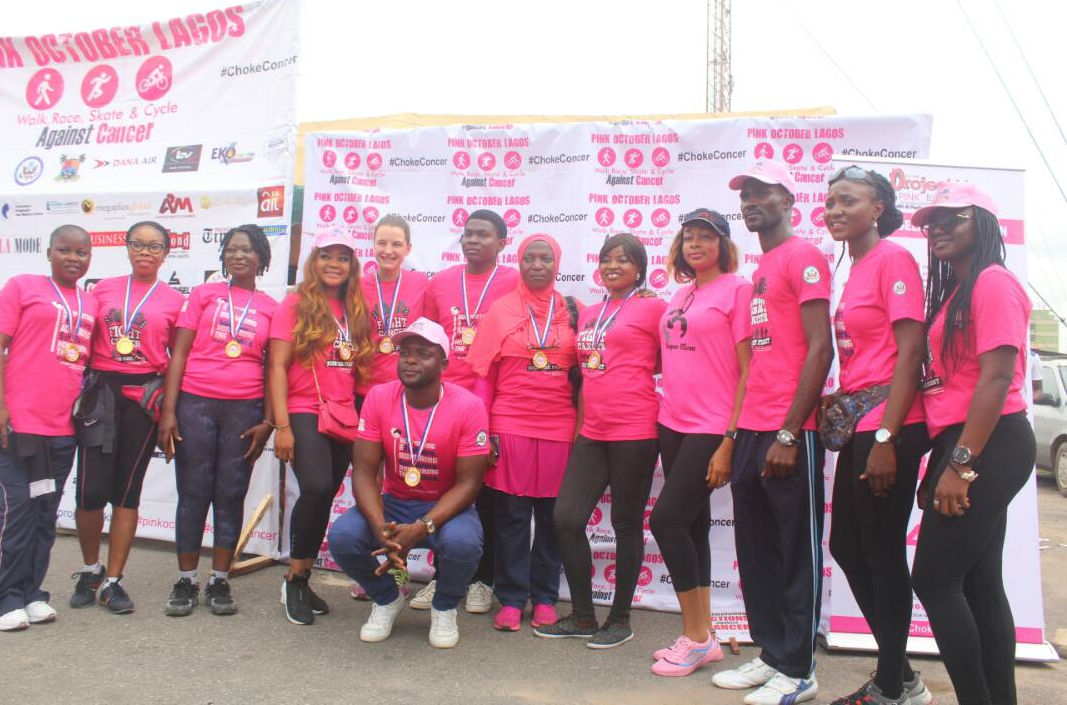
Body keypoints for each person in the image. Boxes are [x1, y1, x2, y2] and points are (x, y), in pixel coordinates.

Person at [711, 161, 832, 705]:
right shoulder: (763, 267)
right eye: (745, 194)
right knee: (756, 549)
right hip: (754, 426)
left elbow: (819, 347)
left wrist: (790, 431)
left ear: (788, 197)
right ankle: (772, 654)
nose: (751, 201)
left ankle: (800, 669)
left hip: (790, 430)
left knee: (794, 551)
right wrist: (741, 431)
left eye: (762, 193)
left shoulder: (804, 256)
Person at [911, 183, 1034, 705]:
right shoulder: (956, 292)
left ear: (982, 224)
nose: (938, 227)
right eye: (932, 221)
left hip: (990, 441)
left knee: (935, 580)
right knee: (979, 582)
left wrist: (961, 464)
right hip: (968, 441)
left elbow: (997, 377)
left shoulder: (993, 282)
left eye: (952, 218)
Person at [821, 167, 933, 705]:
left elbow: (910, 353)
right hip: (863, 421)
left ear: (879, 207)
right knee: (847, 544)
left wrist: (888, 435)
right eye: (830, 203)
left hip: (890, 424)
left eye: (848, 201)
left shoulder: (894, 258)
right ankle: (900, 672)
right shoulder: (859, 265)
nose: (835, 210)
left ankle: (893, 683)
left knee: (882, 551)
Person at [327, 318, 490, 648]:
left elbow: (469, 483)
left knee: (463, 545)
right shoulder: (378, 397)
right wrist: (379, 528)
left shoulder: (469, 406)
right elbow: (363, 470)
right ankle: (387, 598)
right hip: (395, 501)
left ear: (443, 363)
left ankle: (444, 606)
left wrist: (422, 526)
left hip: (444, 506)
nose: (411, 360)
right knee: (343, 536)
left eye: (423, 354)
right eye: (406, 353)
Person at [537, 233, 665, 649]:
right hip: (592, 431)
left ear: (640, 268)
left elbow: (668, 360)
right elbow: (584, 376)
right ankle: (583, 616)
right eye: (607, 258)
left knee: (626, 525)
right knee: (566, 518)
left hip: (636, 429)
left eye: (623, 260)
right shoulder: (590, 313)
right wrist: (578, 433)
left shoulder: (653, 308)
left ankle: (620, 619)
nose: (613, 266)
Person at [638, 211, 752, 675]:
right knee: (693, 525)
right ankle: (701, 635)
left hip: (711, 426)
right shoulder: (681, 293)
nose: (696, 244)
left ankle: (697, 637)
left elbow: (750, 371)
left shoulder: (739, 290)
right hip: (674, 422)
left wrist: (730, 438)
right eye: (690, 237)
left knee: (667, 521)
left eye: (707, 237)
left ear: (723, 245)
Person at [157, 225, 277, 616]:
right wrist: (169, 411)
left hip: (245, 409)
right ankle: (186, 580)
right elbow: (178, 355)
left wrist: (270, 421)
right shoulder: (203, 295)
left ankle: (220, 581)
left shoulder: (271, 307)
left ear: (261, 258)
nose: (237, 256)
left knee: (230, 494)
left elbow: (276, 367)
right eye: (231, 249)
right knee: (192, 493)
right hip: (195, 404)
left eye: (246, 250)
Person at [71, 221, 185, 615]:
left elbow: (176, 362)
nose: (145, 252)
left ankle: (114, 581)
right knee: (89, 491)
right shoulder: (101, 289)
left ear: (166, 253)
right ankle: (90, 569)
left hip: (142, 397)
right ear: (126, 247)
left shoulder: (173, 300)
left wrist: (168, 412)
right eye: (138, 244)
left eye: (155, 247)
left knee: (126, 491)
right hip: (101, 392)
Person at [466, 233, 578, 632]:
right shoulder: (501, 310)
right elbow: (483, 377)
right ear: (520, 261)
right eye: (529, 257)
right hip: (509, 421)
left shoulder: (572, 310)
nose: (536, 264)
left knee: (552, 517)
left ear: (556, 262)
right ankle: (512, 598)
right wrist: (487, 431)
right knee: (512, 516)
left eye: (545, 258)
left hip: (560, 427)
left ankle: (545, 596)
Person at [269, 227, 374, 625]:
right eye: (326, 256)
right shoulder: (295, 304)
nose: (334, 264)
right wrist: (282, 425)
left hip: (344, 414)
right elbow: (277, 366)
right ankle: (293, 579)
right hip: (303, 409)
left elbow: (360, 371)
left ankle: (303, 574)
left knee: (324, 495)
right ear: (313, 262)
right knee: (312, 487)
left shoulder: (356, 308)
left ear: (352, 266)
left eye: (342, 257)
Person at [418, 209, 519, 614]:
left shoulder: (514, 280)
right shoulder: (441, 282)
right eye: (467, 233)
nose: (473, 240)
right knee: (444, 491)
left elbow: (554, 306)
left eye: (483, 234)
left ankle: (483, 580)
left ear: (502, 242)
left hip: (493, 401)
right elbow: (424, 337)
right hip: (443, 401)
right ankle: (443, 578)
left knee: (489, 496)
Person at [0, 225, 96, 631]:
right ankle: (6, 597)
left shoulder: (90, 302)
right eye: (64, 250)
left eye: (81, 252)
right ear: (49, 251)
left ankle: (32, 593)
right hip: (20, 424)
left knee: (44, 513)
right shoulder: (22, 287)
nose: (73, 258)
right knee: (17, 510)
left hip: (62, 430)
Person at [360, 215, 429, 397]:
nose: (388, 251)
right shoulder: (357, 287)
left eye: (396, 244)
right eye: (381, 243)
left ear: (408, 248)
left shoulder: (421, 283)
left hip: (408, 386)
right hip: (366, 388)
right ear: (373, 245)